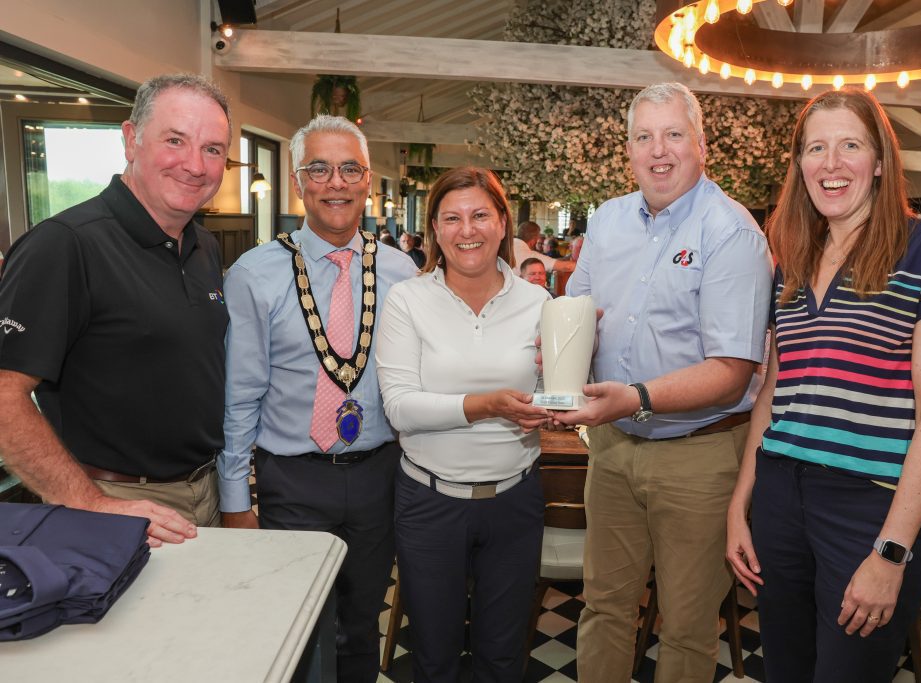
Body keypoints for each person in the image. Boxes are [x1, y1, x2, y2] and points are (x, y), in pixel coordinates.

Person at [725, 88, 921, 683]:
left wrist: (892, 551)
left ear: (881, 162)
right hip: (780, 496)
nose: (831, 163)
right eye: (817, 147)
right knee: (785, 669)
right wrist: (742, 506)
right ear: (800, 165)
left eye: (850, 146)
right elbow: (773, 394)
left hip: (870, 506)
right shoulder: (791, 258)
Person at [555, 82, 773, 682]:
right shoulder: (607, 220)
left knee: (685, 626)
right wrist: (556, 367)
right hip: (613, 444)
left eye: (673, 134)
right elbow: (578, 318)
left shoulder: (731, 232)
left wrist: (639, 398)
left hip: (699, 456)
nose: (659, 151)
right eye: (644, 137)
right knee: (603, 606)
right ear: (627, 149)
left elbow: (732, 374)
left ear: (701, 146)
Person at [217, 114, 417, 682]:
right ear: (299, 183)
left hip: (380, 476)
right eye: (320, 169)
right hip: (292, 481)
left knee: (361, 627)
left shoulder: (401, 273)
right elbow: (240, 398)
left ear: (368, 181)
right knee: (293, 627)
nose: (336, 182)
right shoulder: (254, 275)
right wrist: (236, 502)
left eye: (349, 168)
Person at [0, 73, 232, 547]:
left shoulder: (204, 246)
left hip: (203, 492)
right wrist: (93, 503)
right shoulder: (65, 244)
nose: (194, 164)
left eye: (212, 149)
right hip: (111, 503)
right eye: (175, 140)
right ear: (131, 140)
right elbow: (4, 399)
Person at [376, 167, 551, 681]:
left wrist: (578, 354)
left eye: (479, 215)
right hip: (430, 503)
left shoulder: (538, 302)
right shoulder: (409, 300)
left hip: (515, 501)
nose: (466, 230)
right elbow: (401, 408)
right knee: (434, 654)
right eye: (451, 218)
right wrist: (487, 404)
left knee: (502, 656)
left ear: (503, 224)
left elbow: (551, 396)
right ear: (434, 229)